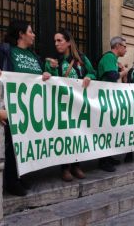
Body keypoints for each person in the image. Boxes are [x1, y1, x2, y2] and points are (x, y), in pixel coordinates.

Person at [0, 20, 50, 196]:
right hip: (11, 103)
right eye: (31, 31)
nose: (34, 35)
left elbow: (38, 78)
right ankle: (11, 181)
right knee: (12, 142)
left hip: (31, 107)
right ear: (21, 34)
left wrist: (45, 75)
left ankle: (20, 176)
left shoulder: (34, 57)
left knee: (24, 141)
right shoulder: (3, 50)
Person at [45, 29, 96, 181]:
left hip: (79, 103)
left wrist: (88, 76)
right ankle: (65, 168)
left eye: (59, 40)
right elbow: (50, 81)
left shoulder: (81, 58)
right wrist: (50, 70)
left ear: (68, 42)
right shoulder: (54, 60)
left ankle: (76, 165)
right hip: (63, 104)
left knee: (79, 133)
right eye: (55, 41)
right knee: (65, 134)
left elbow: (93, 72)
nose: (56, 44)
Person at [97, 36, 129, 172]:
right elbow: (112, 76)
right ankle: (103, 161)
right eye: (124, 46)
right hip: (105, 98)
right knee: (105, 129)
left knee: (110, 128)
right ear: (117, 46)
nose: (126, 49)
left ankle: (108, 157)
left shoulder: (113, 60)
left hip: (110, 98)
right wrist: (125, 71)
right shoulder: (109, 57)